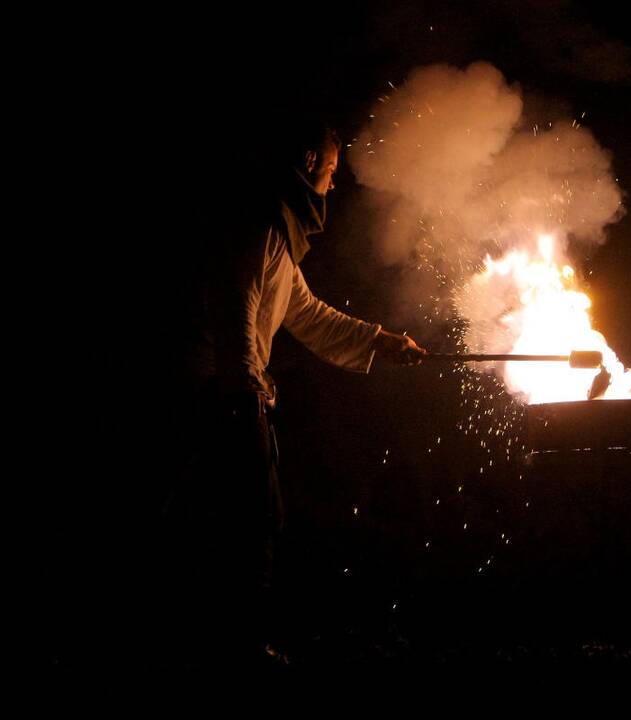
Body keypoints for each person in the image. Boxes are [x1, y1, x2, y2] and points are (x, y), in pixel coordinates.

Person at [164, 118, 426, 666]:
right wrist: (244, 396)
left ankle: (234, 642)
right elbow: (234, 319)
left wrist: (382, 341)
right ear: (308, 164)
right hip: (215, 396)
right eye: (330, 172)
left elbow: (310, 317)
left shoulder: (278, 243)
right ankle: (228, 649)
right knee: (245, 516)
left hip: (236, 392)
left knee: (256, 515)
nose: (332, 188)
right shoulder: (255, 232)